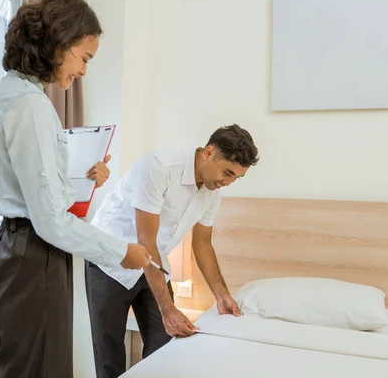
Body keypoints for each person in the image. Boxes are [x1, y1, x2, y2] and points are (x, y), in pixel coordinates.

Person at [0, 0, 151, 378]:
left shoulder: (14, 92)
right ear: (58, 42)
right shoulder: (31, 105)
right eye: (84, 58)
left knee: (23, 367)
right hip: (31, 255)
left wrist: (81, 177)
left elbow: (29, 186)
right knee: (39, 369)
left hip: (18, 249)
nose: (84, 71)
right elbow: (50, 220)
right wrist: (122, 252)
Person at [86, 124, 259, 378]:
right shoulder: (159, 166)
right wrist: (168, 309)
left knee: (166, 349)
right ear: (208, 153)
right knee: (109, 359)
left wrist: (221, 295)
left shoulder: (213, 189)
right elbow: (146, 240)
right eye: (227, 173)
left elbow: (202, 244)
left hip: (153, 263)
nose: (229, 182)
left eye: (236, 178)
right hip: (110, 262)